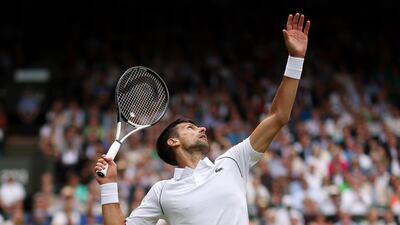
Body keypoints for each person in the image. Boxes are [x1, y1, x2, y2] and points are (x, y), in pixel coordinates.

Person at [94, 12, 310, 225]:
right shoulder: (162, 192)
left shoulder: (233, 162)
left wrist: (295, 59)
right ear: (173, 141)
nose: (202, 129)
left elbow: (278, 116)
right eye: (190, 127)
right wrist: (109, 185)